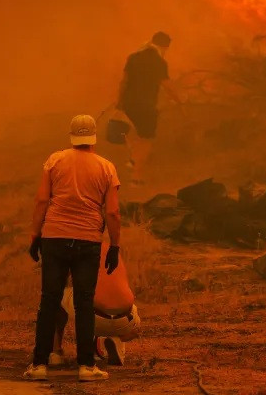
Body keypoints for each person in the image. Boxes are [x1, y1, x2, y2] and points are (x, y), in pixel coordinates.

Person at [24, 114, 122, 382]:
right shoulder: (106, 167)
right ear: (93, 137)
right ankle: (86, 366)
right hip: (88, 240)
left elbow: (42, 200)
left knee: (49, 300)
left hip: (54, 238)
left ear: (72, 135)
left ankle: (39, 365)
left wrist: (35, 235)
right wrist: (114, 246)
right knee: (83, 303)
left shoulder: (55, 160)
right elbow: (112, 212)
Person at [50, 242, 140, 367]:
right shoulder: (111, 248)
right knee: (112, 303)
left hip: (93, 318)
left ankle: (55, 352)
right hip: (126, 321)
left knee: (57, 295)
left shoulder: (75, 246)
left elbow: (60, 280)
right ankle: (115, 339)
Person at [116, 31, 177, 183]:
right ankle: (136, 176)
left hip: (129, 104)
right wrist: (180, 99)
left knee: (135, 134)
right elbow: (167, 85)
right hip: (147, 105)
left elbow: (124, 82)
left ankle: (132, 160)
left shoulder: (133, 57)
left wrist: (119, 102)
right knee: (146, 140)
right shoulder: (159, 62)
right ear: (164, 47)